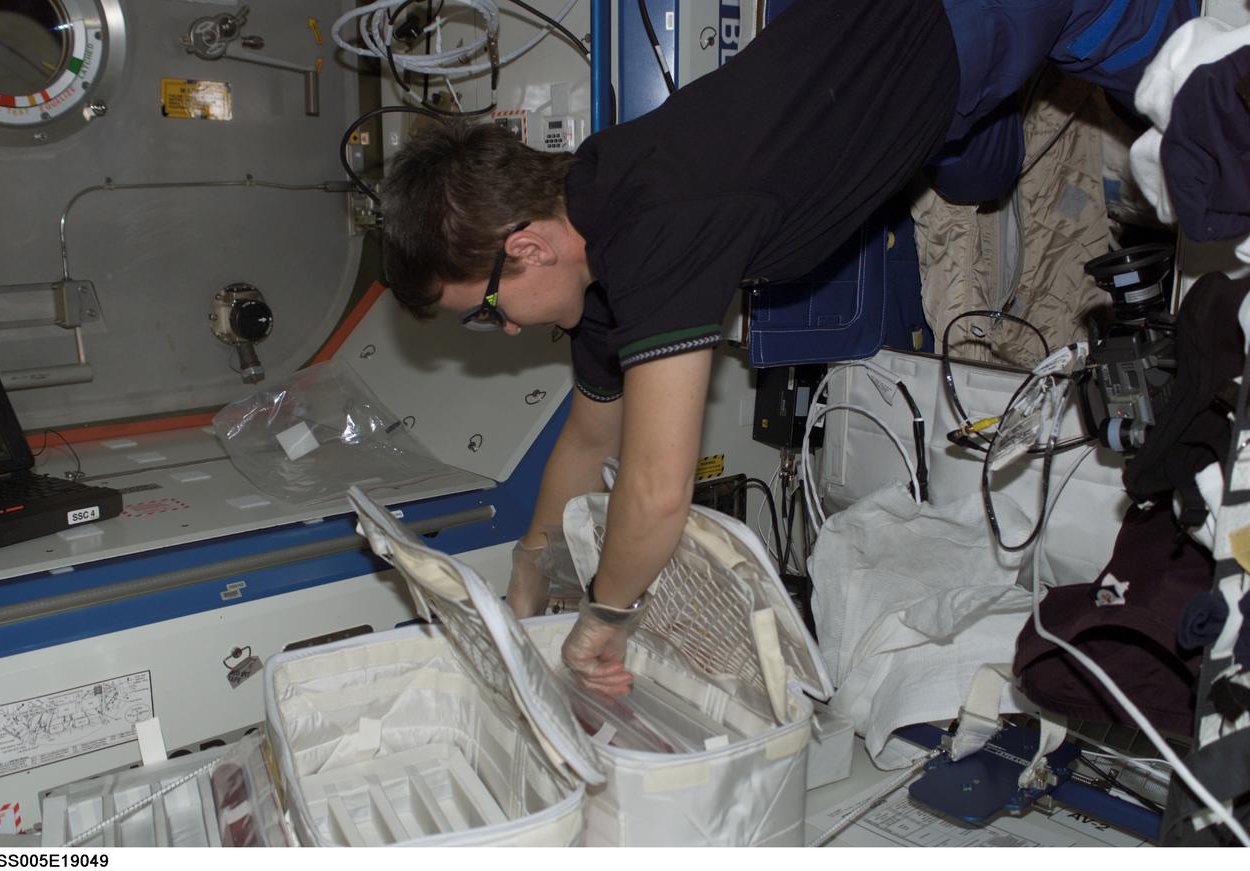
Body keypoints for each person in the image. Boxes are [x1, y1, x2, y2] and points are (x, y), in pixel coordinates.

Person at [377, 0, 1197, 695]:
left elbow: (659, 490)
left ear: (525, 248)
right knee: (976, 176)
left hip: (956, 14)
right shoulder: (592, 220)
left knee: (1196, 102)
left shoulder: (654, 232)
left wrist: (606, 616)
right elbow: (590, 437)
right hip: (901, 67)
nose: (508, 328)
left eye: (486, 310)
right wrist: (530, 564)